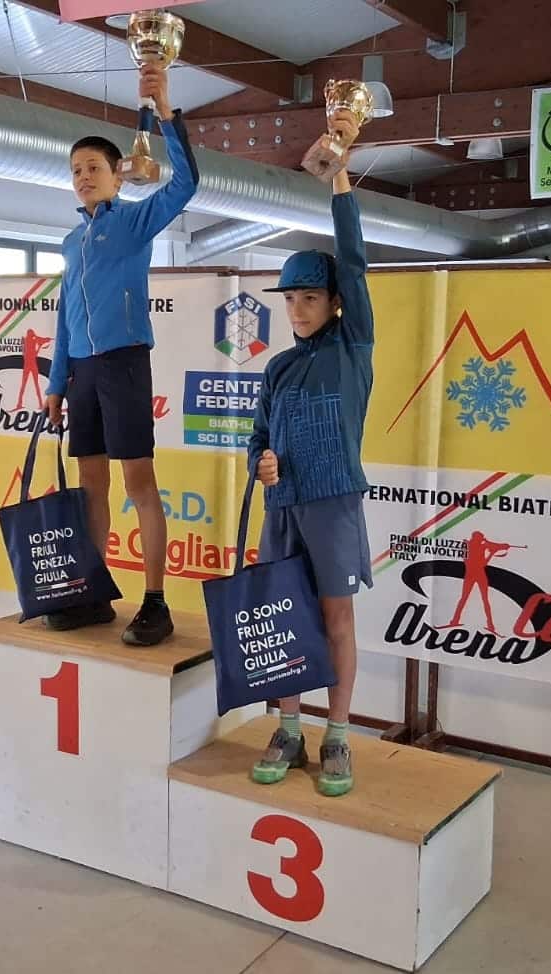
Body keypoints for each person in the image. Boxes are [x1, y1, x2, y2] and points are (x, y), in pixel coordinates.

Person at [45, 62, 199, 647]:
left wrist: (166, 114)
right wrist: (56, 384)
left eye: (93, 168)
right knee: (91, 486)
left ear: (117, 176)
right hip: (82, 373)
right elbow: (65, 315)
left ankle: (155, 602)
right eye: (76, 170)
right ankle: (92, 592)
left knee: (138, 482)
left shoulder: (133, 222)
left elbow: (185, 186)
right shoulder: (71, 241)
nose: (83, 177)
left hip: (124, 363)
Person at [247, 110, 372, 797]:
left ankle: (338, 735)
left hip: (333, 505)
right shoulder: (276, 368)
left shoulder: (353, 349)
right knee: (285, 620)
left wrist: (340, 180)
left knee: (335, 618)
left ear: (334, 303)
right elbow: (257, 438)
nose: (297, 310)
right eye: (290, 299)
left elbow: (352, 261)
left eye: (310, 298)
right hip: (283, 510)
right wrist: (260, 463)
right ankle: (289, 728)